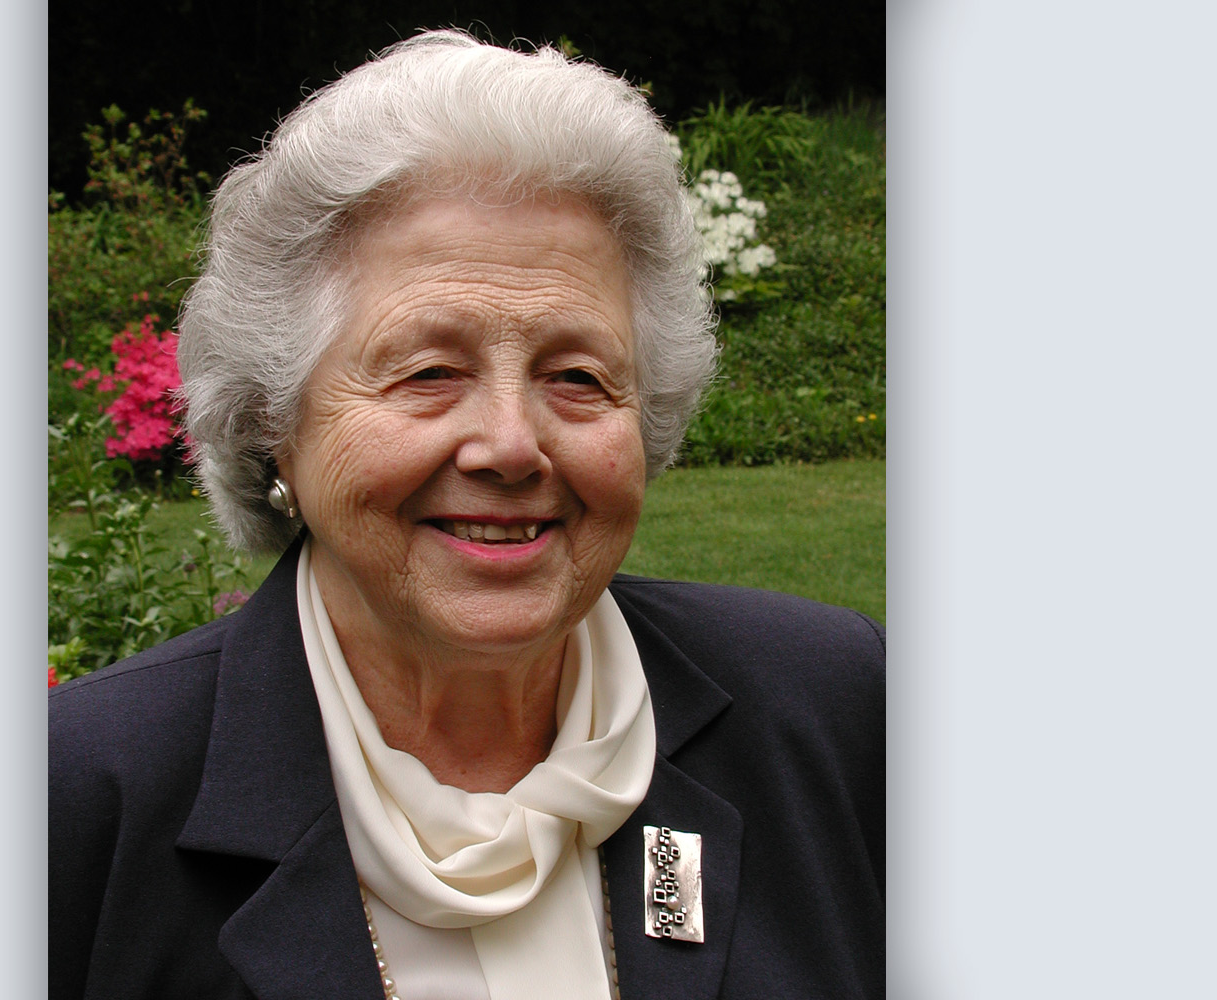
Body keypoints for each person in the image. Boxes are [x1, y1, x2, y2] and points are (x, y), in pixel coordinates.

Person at [50, 29, 882, 1000]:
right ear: (276, 418)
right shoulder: (75, 804)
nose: (510, 444)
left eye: (577, 376)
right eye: (428, 372)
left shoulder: (835, 706)